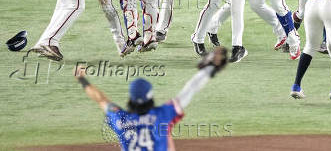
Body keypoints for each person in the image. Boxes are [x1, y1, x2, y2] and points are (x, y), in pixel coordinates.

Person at [74, 47, 228, 151]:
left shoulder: (120, 119)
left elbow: (101, 99)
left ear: (130, 99)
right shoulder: (162, 115)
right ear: (151, 98)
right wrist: (209, 69)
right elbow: (190, 89)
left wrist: (82, 79)